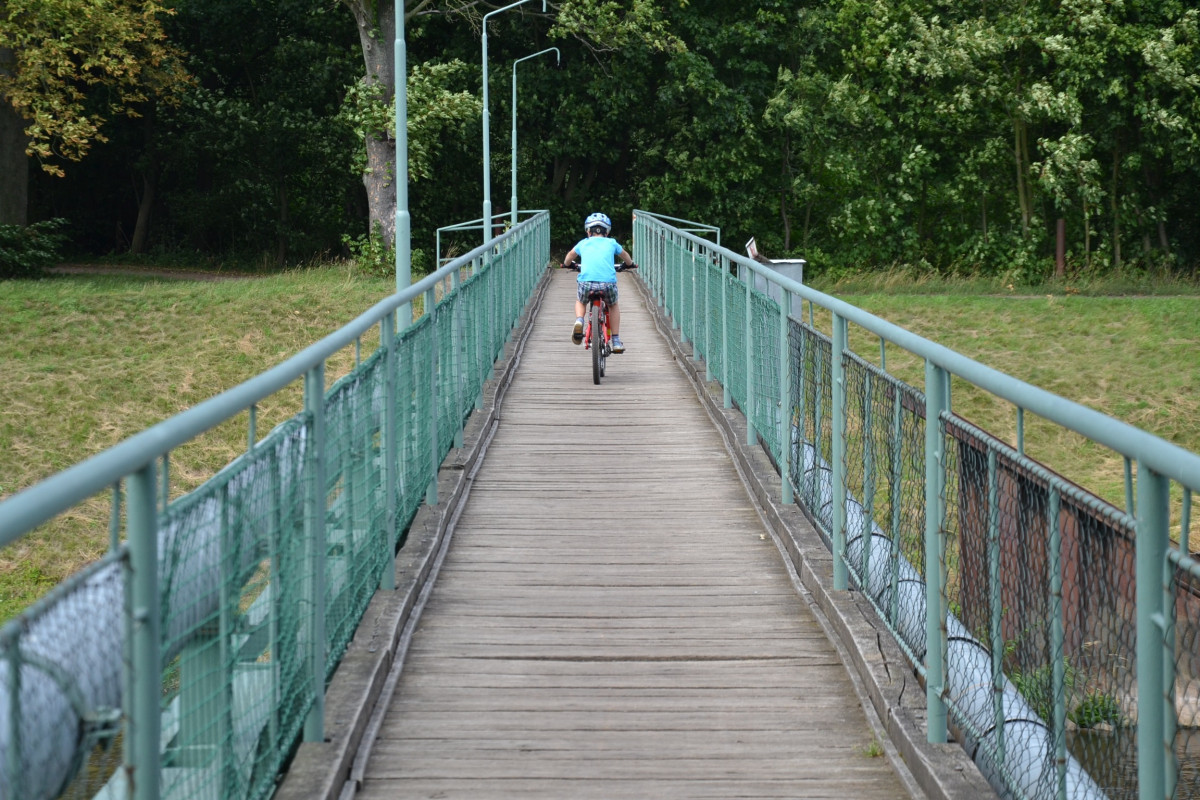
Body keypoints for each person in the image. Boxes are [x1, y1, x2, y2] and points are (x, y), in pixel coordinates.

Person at [562, 212, 636, 353]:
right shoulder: (611, 243)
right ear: (606, 232)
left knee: (581, 301)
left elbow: (570, 255)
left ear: (588, 231)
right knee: (613, 305)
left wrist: (567, 264)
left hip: (586, 283)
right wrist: (629, 264)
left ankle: (579, 320)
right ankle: (615, 340)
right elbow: (625, 255)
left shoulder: (583, 243)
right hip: (607, 284)